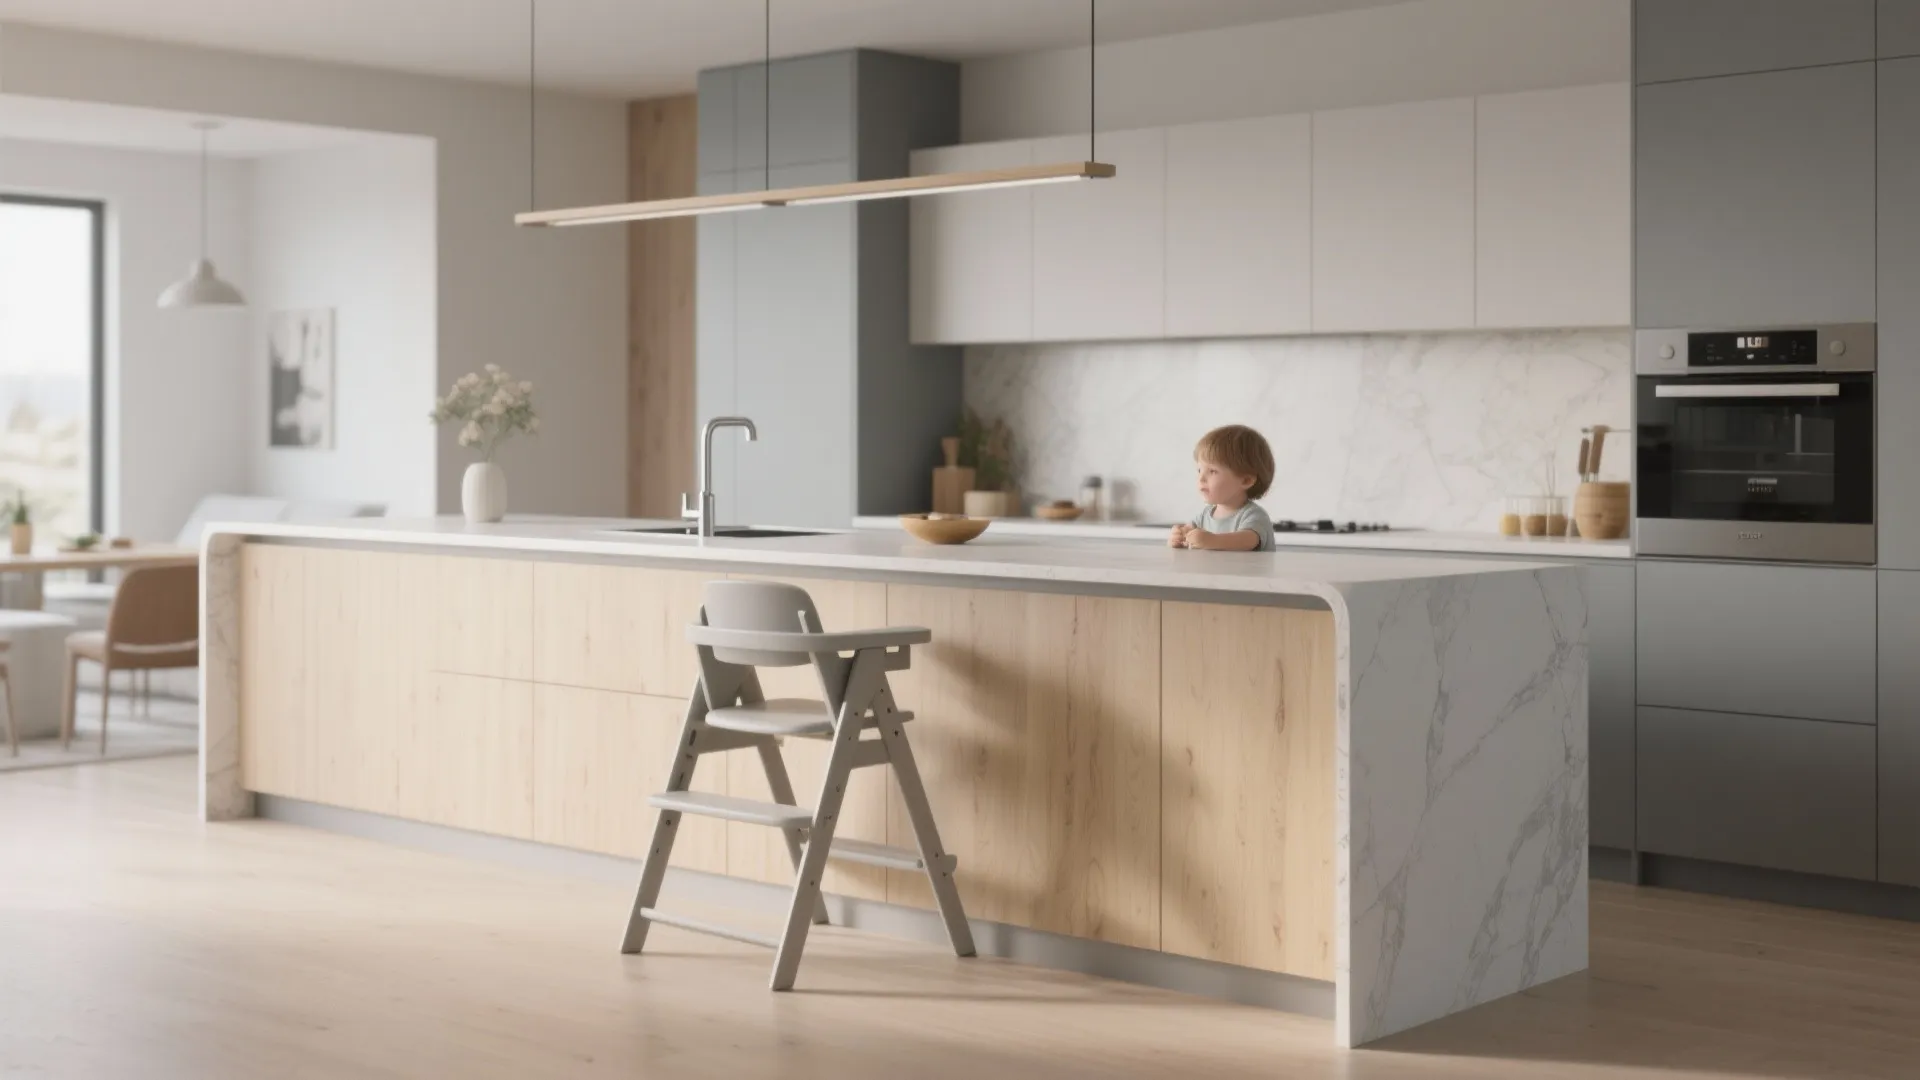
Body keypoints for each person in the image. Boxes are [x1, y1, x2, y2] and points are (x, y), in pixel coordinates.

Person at [1169, 424, 1276, 552]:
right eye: (1199, 470)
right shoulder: (1203, 516)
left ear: (1246, 480)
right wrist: (1179, 537)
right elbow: (1188, 533)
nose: (1201, 478)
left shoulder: (1253, 515)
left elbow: (1247, 541)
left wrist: (1212, 541)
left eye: (1212, 471)